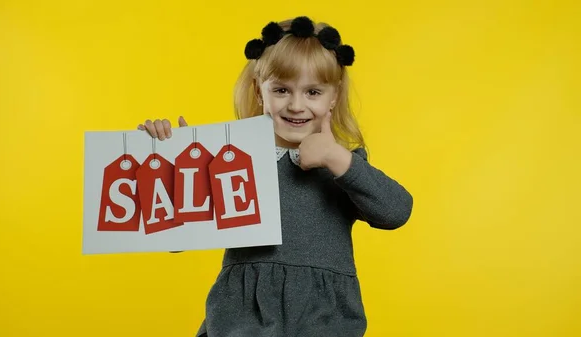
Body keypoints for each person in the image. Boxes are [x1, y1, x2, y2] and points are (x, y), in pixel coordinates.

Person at [138, 16, 413, 337]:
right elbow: (175, 242)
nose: (296, 105)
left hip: (323, 322)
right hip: (239, 320)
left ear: (333, 97)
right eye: (282, 90)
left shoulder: (342, 164)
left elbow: (397, 212)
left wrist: (338, 158)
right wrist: (176, 165)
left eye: (313, 92)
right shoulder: (230, 160)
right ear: (258, 90)